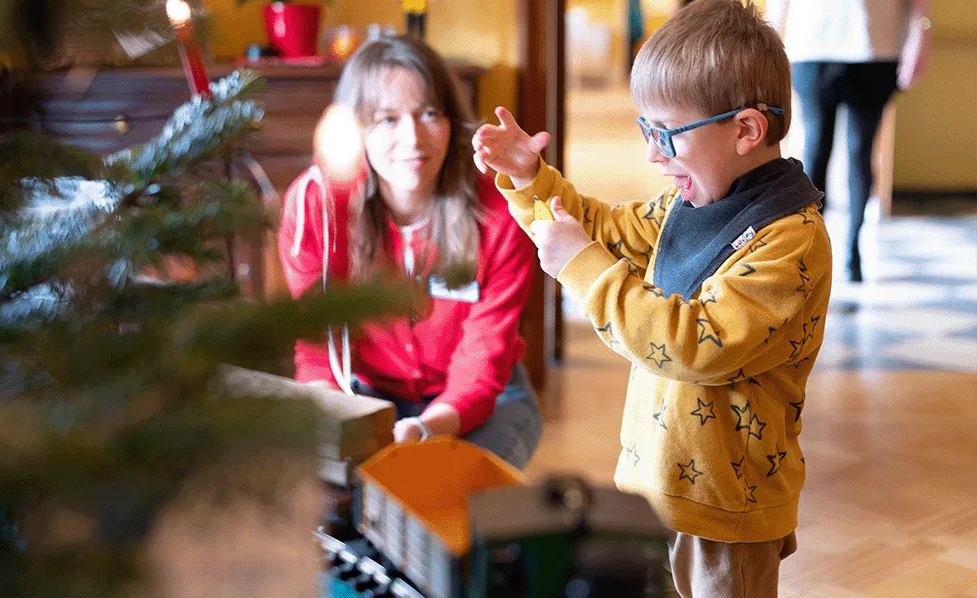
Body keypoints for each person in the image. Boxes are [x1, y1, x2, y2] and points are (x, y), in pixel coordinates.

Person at [473, 0, 830, 595]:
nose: (651, 153)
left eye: (665, 133)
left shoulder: (789, 241)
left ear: (746, 130)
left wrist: (583, 269)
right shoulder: (686, 206)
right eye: (646, 130)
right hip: (650, 487)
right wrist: (531, 178)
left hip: (725, 514)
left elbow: (693, 345)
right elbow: (599, 230)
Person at [277, 36, 542, 470]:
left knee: (441, 505)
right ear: (354, 128)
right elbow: (318, 344)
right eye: (386, 119)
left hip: (485, 400)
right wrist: (330, 425)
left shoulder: (500, 212)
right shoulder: (316, 208)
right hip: (361, 396)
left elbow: (484, 356)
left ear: (452, 121)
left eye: (429, 113)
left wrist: (426, 428)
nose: (412, 138)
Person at [767, 0, 932, 282]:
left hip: (874, 47)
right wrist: (771, 46)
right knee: (816, 150)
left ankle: (853, 251)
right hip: (813, 44)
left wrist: (920, 35)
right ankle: (807, 247)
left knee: (861, 152)